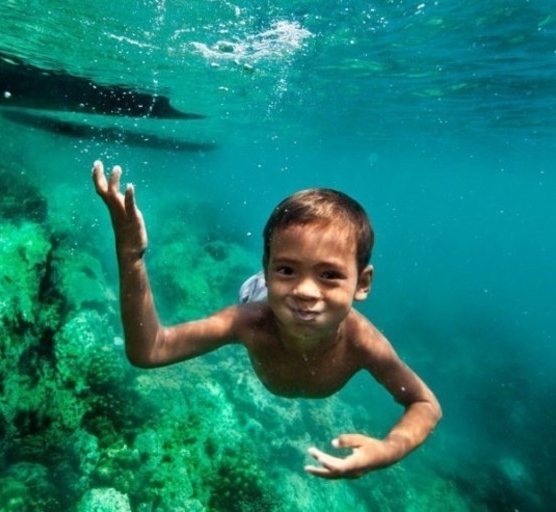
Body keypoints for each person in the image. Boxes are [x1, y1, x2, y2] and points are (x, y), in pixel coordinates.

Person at [91, 160, 441, 479]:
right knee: (258, 296)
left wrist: (387, 450)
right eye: (287, 269)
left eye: (329, 275)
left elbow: (426, 405)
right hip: (259, 298)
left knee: (284, 296)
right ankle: (269, 281)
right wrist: (131, 256)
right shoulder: (248, 323)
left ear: (362, 284)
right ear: (268, 266)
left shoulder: (363, 342)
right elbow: (149, 351)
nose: (306, 290)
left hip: (273, 295)